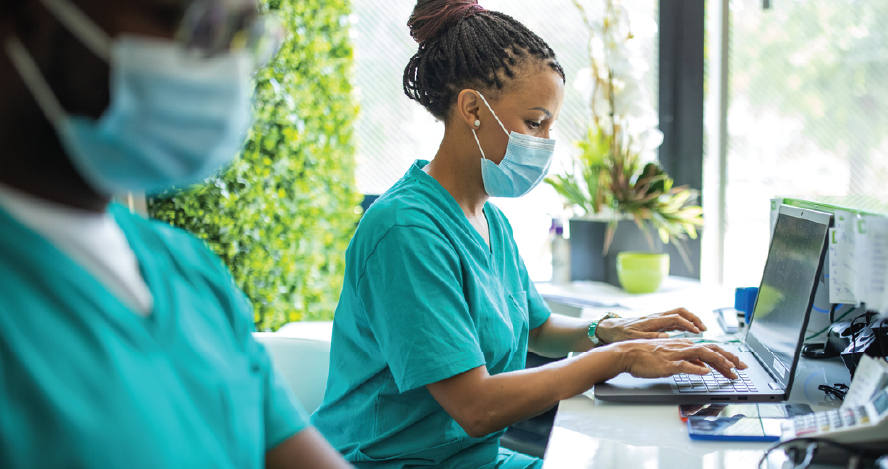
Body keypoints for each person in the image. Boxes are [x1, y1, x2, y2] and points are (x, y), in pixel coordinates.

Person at [310, 1, 748, 467]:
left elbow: (537, 327)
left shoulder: (488, 219)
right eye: (534, 123)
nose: (543, 143)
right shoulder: (405, 231)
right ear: (473, 109)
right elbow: (476, 407)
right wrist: (618, 357)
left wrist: (605, 331)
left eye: (550, 126)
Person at [0, 0, 352, 467]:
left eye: (245, 35)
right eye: (199, 25)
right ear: (30, 22)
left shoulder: (186, 269)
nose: (228, 69)